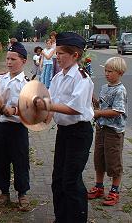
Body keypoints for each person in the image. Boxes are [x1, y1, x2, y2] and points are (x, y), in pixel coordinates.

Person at [35, 32, 94, 223]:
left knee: (71, 181)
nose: (57, 57)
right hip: (64, 132)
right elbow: (51, 102)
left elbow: (73, 108)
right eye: (57, 53)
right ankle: (61, 218)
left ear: (75, 56)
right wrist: (37, 117)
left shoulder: (82, 78)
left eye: (61, 53)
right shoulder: (58, 77)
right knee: (58, 179)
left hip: (79, 133)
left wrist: (47, 106)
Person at [0, 41, 31, 211]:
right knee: (0, 160)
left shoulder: (27, 85)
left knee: (20, 161)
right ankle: (4, 193)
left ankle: (22, 194)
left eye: (13, 59)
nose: (8, 62)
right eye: (7, 58)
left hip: (18, 128)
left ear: (23, 61)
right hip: (1, 127)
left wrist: (13, 111)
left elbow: (31, 110)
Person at [88, 57, 128, 206]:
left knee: (113, 161)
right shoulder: (105, 87)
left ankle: (115, 190)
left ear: (120, 73)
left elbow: (117, 111)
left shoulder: (120, 90)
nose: (106, 74)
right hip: (101, 128)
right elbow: (103, 105)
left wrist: (98, 113)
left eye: (110, 71)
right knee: (99, 159)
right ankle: (99, 187)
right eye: (105, 70)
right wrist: (93, 100)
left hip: (114, 131)